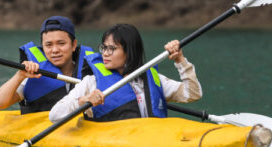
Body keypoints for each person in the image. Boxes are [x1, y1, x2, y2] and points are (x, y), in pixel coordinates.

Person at [49, 23, 202, 122]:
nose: (105, 54)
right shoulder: (92, 82)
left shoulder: (152, 80)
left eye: (112, 49)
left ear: (129, 51)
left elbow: (193, 94)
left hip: (151, 143)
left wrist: (180, 60)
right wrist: (84, 100)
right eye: (104, 48)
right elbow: (55, 115)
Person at [0, 16, 93, 114]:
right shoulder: (34, 75)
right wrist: (20, 76)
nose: (55, 50)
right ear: (43, 47)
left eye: (61, 43)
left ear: (73, 45)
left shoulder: (91, 76)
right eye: (48, 45)